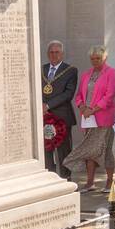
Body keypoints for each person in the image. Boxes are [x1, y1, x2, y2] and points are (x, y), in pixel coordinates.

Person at [65, 46, 115, 193]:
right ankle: (90, 183)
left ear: (104, 58)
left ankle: (109, 181)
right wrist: (82, 107)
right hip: (88, 118)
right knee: (90, 150)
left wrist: (93, 109)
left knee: (105, 150)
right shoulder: (86, 74)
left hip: (104, 117)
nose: (95, 61)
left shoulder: (111, 73)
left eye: (98, 58)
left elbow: (109, 96)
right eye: (92, 58)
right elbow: (78, 96)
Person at [42, 39, 78, 179]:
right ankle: (49, 179)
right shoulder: (42, 69)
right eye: (51, 52)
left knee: (64, 150)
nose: (54, 55)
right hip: (44, 116)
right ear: (47, 54)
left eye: (57, 52)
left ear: (62, 54)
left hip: (62, 117)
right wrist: (41, 106)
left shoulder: (70, 70)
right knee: (46, 149)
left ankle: (66, 179)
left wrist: (48, 105)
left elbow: (68, 94)